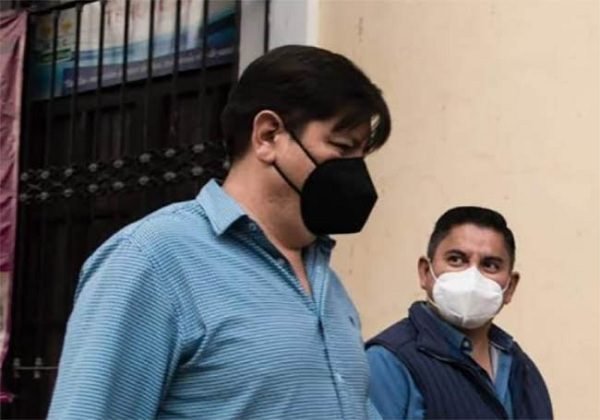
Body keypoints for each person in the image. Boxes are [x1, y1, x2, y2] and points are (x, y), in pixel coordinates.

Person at [47, 45, 391, 419]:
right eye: (342, 148)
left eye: (361, 156)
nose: (355, 172)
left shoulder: (325, 280)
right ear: (268, 136)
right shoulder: (152, 261)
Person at [367, 206, 553, 419]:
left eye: (490, 265)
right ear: (425, 272)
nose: (472, 277)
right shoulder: (388, 362)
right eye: (456, 259)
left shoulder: (520, 366)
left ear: (510, 287)